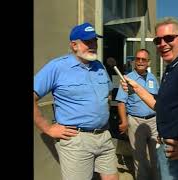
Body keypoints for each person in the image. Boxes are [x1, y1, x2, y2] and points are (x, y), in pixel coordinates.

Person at [120, 17, 178, 180]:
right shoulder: (173, 68)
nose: (162, 44)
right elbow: (160, 105)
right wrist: (136, 88)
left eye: (169, 38)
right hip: (169, 152)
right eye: (158, 40)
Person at [33, 22, 119, 180]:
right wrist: (47, 128)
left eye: (95, 41)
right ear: (74, 45)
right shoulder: (57, 67)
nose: (93, 45)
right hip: (76, 140)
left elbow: (106, 95)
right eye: (87, 42)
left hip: (104, 136)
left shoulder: (99, 66)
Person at [115, 49, 160, 180]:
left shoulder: (153, 78)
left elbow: (158, 100)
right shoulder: (127, 79)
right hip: (136, 121)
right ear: (134, 61)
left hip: (154, 122)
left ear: (149, 62)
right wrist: (124, 122)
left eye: (143, 59)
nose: (140, 62)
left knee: (156, 154)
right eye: (138, 59)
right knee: (139, 157)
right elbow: (121, 102)